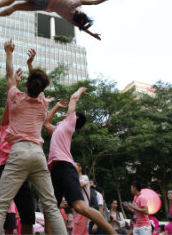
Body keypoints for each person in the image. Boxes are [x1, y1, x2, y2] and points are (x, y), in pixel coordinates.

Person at [0, 39, 67, 235]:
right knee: (51, 206)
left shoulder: (14, 97)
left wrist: (8, 53)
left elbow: (9, 76)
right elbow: (37, 86)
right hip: (38, 154)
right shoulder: (42, 103)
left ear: (27, 84)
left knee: (1, 206)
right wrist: (31, 65)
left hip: (19, 151)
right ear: (41, 89)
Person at [44, 87, 117, 235]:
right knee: (49, 208)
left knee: (79, 206)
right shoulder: (59, 127)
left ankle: (113, 233)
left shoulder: (69, 124)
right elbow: (46, 123)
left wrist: (79, 90)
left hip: (65, 167)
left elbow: (73, 99)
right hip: (54, 169)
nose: (67, 114)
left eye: (71, 114)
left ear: (74, 118)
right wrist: (57, 106)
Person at [0, 62, 36, 235]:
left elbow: (36, 93)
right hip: (3, 166)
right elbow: (10, 96)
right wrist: (15, 84)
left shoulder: (26, 127)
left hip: (20, 167)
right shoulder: (7, 123)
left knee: (28, 215)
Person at [0, 0, 124, 40]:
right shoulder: (70, 18)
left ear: (81, 12)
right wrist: (93, 35)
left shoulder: (74, 4)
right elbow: (82, 28)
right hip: (43, 6)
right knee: (16, 7)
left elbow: (94, 2)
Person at [71, 162, 90, 235]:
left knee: (76, 232)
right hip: (79, 210)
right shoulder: (74, 179)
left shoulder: (84, 177)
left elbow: (80, 184)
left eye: (74, 166)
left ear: (80, 168)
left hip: (82, 209)